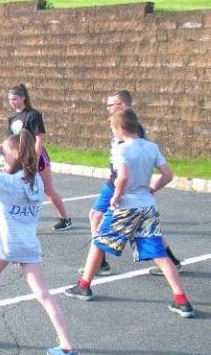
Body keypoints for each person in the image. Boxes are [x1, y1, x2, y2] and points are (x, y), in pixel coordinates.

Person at [0, 130, 80, 355]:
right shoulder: (35, 182)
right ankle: (67, 347)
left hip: (4, 244)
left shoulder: (6, 183)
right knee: (44, 294)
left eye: (5, 154)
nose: (2, 158)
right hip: (26, 244)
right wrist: (5, 153)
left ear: (14, 154)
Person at [64, 109, 194, 318]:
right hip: (148, 206)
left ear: (120, 129)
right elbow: (168, 175)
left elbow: (122, 177)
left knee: (99, 241)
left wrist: (115, 196)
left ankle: (84, 286)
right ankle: (182, 300)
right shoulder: (151, 147)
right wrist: (153, 188)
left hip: (127, 206)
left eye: (113, 129)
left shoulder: (120, 149)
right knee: (159, 253)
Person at [79, 90, 182, 276]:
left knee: (97, 217)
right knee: (100, 216)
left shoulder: (131, 131)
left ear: (123, 106)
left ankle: (98, 265)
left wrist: (121, 191)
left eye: (113, 104)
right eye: (108, 104)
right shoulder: (119, 126)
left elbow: (128, 168)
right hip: (118, 183)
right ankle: (171, 262)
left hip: (120, 186)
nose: (109, 107)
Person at [0, 84, 71, 236]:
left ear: (23, 98)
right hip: (17, 157)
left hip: (37, 157)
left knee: (48, 190)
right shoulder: (12, 118)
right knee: (4, 189)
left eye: (15, 98)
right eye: (10, 99)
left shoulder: (33, 115)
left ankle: (65, 218)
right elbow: (9, 140)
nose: (12, 102)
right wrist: (5, 158)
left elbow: (39, 138)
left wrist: (33, 159)